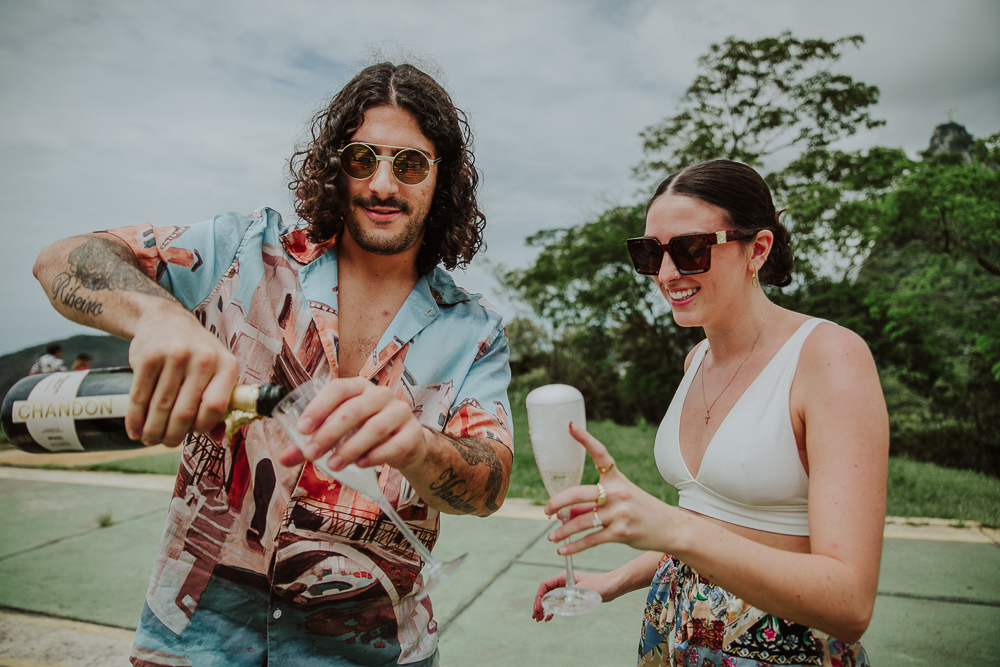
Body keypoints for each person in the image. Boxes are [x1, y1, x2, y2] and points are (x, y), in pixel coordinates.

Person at [33, 62, 513, 667]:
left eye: (410, 164)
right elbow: (61, 259)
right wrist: (158, 316)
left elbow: (489, 486)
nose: (384, 185)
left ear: (443, 179)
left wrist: (416, 446)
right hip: (196, 635)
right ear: (336, 166)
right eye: (363, 159)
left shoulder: (474, 331)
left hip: (372, 649)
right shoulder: (242, 253)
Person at [532, 160, 888, 666]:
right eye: (650, 253)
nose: (667, 273)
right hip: (672, 630)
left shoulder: (830, 358)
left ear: (757, 249)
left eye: (691, 249)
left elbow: (849, 604)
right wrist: (617, 579)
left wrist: (670, 526)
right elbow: (711, 521)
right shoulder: (696, 359)